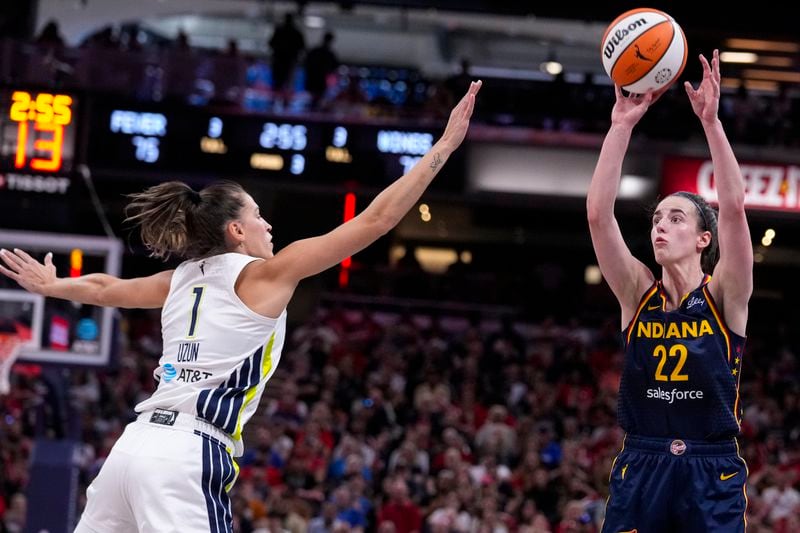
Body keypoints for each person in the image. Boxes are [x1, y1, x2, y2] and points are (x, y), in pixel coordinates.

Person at [0, 81, 482, 533]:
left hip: (130, 449)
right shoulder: (265, 275)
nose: (267, 224)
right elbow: (376, 219)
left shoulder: (180, 279)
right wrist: (442, 148)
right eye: (257, 214)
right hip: (187, 454)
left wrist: (56, 284)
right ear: (235, 231)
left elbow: (108, 289)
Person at [586, 50, 752, 532]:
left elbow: (735, 209)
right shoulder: (636, 291)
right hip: (644, 461)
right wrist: (621, 126)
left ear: (704, 239)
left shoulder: (725, 293)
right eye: (657, 218)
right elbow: (599, 215)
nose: (660, 226)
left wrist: (711, 123)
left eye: (675, 218)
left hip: (710, 467)